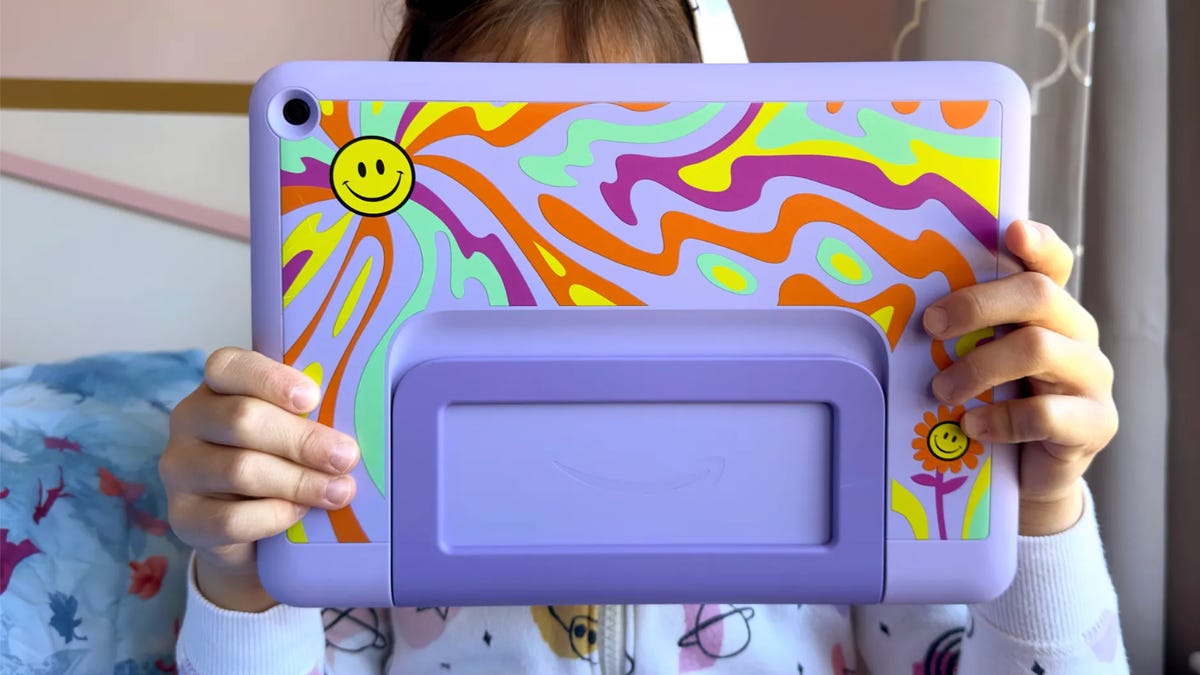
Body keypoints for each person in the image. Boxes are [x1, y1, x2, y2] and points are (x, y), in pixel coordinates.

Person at [161, 1, 1127, 672]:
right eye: (515, 204)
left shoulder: (875, 462)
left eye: (636, 198)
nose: (581, 280)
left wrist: (1039, 509)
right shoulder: (364, 463)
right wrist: (243, 577)